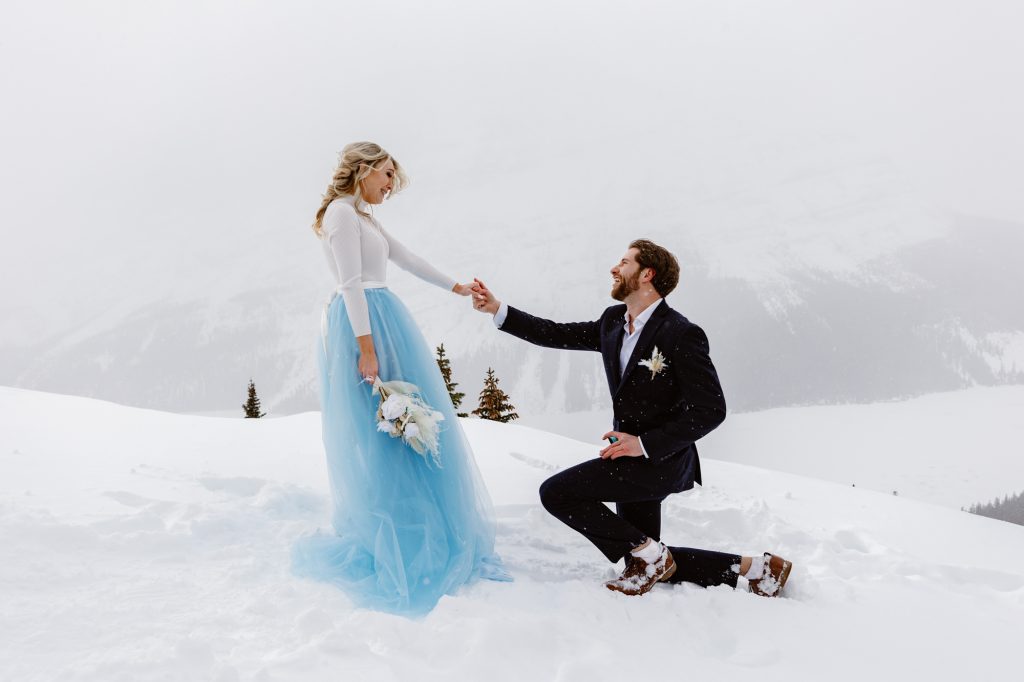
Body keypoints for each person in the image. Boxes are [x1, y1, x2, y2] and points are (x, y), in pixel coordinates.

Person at [471, 239, 792, 597]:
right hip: (627, 455)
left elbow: (711, 410)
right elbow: (556, 333)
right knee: (645, 557)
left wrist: (642, 444)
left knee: (557, 493)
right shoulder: (612, 323)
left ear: (646, 275)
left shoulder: (680, 333)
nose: (614, 268)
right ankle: (760, 568)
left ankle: (655, 558)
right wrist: (498, 309)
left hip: (659, 460)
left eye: (624, 262)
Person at [293, 142, 508, 616]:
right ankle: (391, 530)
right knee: (383, 429)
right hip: (363, 323)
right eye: (387, 175)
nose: (391, 185)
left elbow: (405, 258)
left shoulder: (363, 215)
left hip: (384, 317)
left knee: (408, 422)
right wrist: (366, 348)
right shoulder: (340, 215)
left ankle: (417, 521)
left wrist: (458, 287)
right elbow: (350, 283)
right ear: (364, 170)